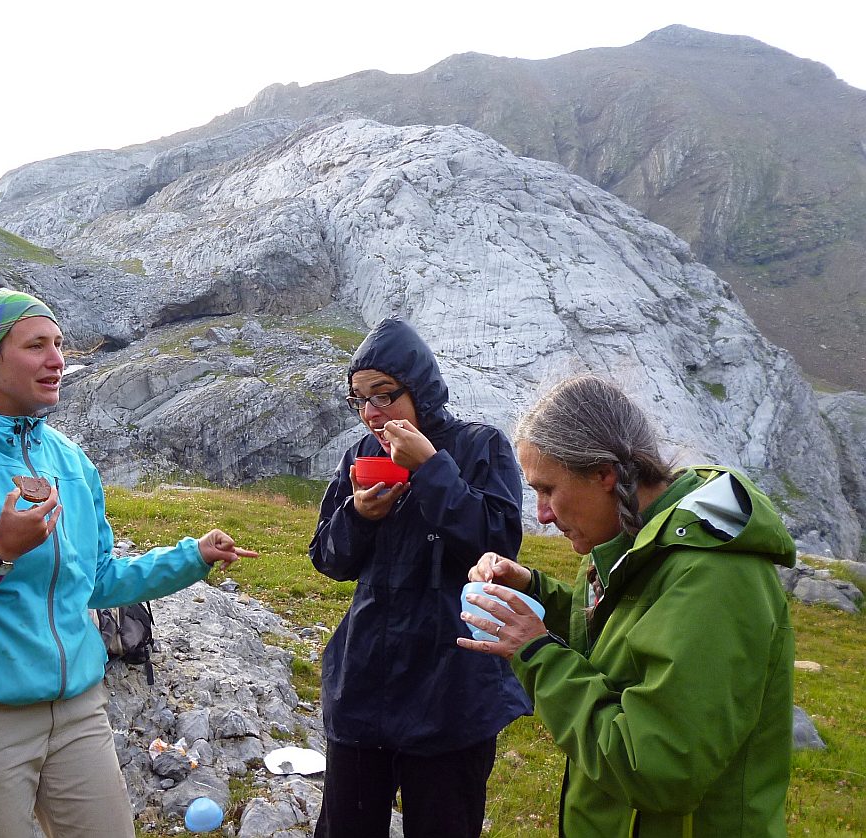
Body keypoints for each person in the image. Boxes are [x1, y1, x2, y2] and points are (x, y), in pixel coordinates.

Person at [0, 290, 257, 838]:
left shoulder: (69, 460)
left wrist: (192, 556)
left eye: (59, 344)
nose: (56, 360)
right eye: (36, 346)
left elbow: (98, 579)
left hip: (78, 713)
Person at [458, 375, 795, 837]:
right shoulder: (631, 542)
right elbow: (626, 641)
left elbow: (657, 767)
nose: (542, 514)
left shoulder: (714, 575)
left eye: (548, 489)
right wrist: (533, 589)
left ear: (604, 474)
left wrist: (536, 653)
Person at [309, 317, 531, 838]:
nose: (371, 412)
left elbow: (498, 546)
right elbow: (328, 559)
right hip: (364, 682)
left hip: (450, 690)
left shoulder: (480, 447)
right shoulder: (360, 456)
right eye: (359, 400)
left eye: (384, 395)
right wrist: (359, 516)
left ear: (421, 390)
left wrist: (431, 467)